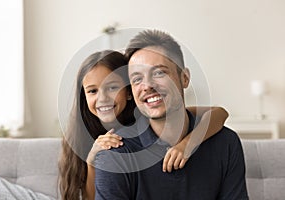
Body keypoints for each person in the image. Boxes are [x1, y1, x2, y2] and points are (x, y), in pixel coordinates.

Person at [94, 30, 249, 200]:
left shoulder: (225, 143)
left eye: (159, 73)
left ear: (184, 78)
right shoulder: (115, 154)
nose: (147, 85)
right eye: (137, 79)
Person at [58, 50, 229, 200]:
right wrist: (91, 161)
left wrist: (187, 144)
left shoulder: (149, 117)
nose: (102, 98)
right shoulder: (79, 136)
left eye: (112, 88)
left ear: (129, 91)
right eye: (92, 91)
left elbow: (219, 113)